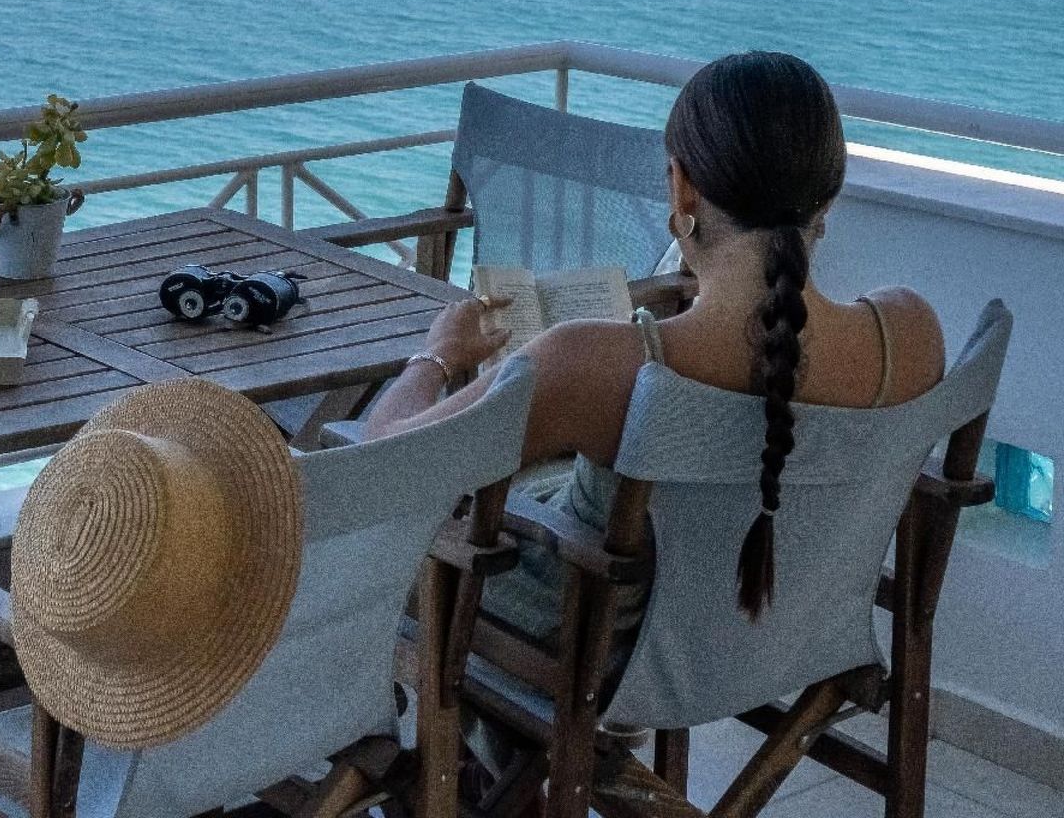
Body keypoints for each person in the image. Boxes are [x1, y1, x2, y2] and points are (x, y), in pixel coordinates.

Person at [363, 49, 945, 632]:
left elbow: (386, 463)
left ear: (682, 190)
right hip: (765, 633)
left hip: (585, 633)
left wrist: (437, 357)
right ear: (830, 193)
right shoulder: (910, 335)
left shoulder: (598, 365)